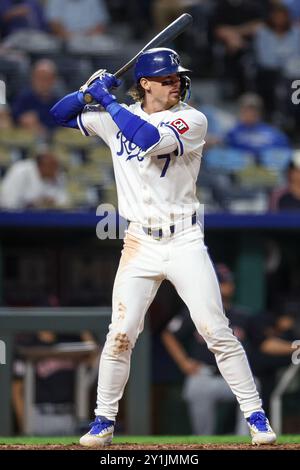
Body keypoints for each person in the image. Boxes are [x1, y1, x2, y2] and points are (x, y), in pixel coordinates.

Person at [50, 47, 276, 446]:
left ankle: (256, 417)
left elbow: (149, 140)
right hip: (139, 242)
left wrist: (106, 100)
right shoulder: (116, 115)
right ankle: (103, 422)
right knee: (120, 333)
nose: (177, 84)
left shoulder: (191, 118)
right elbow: (59, 114)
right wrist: (87, 92)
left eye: (178, 78)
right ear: (145, 84)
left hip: (184, 239)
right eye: (168, 79)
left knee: (215, 330)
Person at [161, 264, 251, 435]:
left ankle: (245, 442)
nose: (226, 286)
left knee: (255, 385)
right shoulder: (195, 312)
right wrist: (184, 362)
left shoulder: (242, 315)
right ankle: (204, 443)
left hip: (233, 376)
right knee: (197, 389)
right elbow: (168, 334)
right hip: (204, 375)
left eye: (227, 282)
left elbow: (263, 341)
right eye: (220, 282)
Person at [0, 149, 69, 209]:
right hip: (13, 220)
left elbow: (64, 201)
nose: (56, 171)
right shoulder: (21, 170)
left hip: (44, 220)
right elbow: (9, 202)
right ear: (42, 165)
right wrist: (34, 203)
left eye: (56, 167)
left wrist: (51, 202)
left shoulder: (58, 176)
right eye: (52, 167)